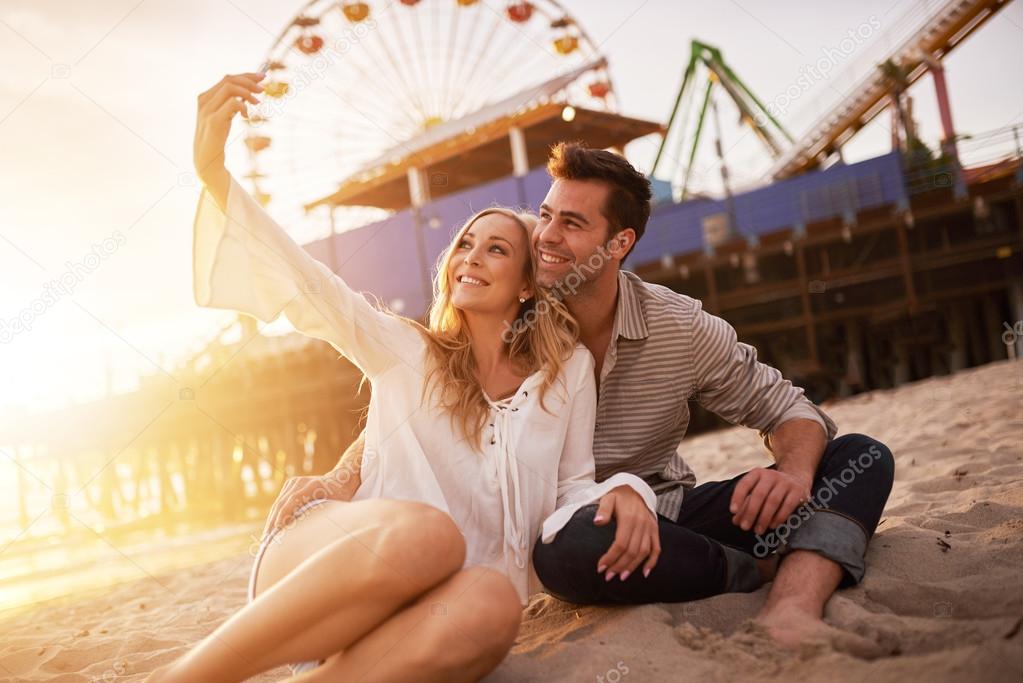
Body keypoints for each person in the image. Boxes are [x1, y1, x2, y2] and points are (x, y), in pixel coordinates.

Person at [277, 142, 896, 653]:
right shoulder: (507, 317)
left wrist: (791, 469)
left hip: (669, 513)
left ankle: (792, 604)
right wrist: (340, 476)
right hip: (577, 531)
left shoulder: (677, 326)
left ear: (619, 243)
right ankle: (752, 568)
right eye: (545, 215)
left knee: (862, 456)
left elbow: (789, 408)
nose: (545, 235)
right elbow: (421, 398)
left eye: (571, 224)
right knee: (570, 552)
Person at [149, 73, 660, 682]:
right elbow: (313, 288)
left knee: (496, 603)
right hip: (331, 565)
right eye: (466, 245)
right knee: (430, 535)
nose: (471, 256)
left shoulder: (567, 373)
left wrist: (628, 489)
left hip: (426, 606)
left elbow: (571, 488)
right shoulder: (405, 349)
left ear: (528, 285)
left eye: (497, 249)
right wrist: (212, 171)